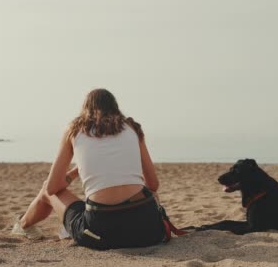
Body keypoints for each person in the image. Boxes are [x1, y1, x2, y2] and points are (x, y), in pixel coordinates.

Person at [11, 88, 166, 249]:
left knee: (46, 190)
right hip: (148, 232)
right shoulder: (133, 128)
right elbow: (153, 184)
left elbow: (52, 187)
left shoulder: (75, 130)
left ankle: (23, 226)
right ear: (115, 107)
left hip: (99, 234)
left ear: (85, 108)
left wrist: (75, 171)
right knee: (149, 194)